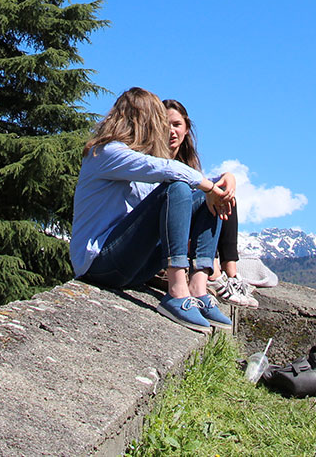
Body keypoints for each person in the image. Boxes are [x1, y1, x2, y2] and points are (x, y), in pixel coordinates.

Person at [71, 88, 237, 332]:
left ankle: (198, 290)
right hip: (98, 265)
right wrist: (210, 185)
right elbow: (169, 171)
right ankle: (177, 292)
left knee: (204, 197)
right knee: (178, 186)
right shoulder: (106, 153)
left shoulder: (133, 162)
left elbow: (184, 184)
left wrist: (224, 180)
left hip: (131, 269)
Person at [162, 99, 258, 308]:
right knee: (213, 193)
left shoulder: (187, 164)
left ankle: (231, 274)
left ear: (186, 128)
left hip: (187, 236)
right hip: (167, 241)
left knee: (221, 192)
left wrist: (228, 176)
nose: (170, 131)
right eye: (164, 125)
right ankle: (212, 275)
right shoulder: (153, 163)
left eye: (176, 125)